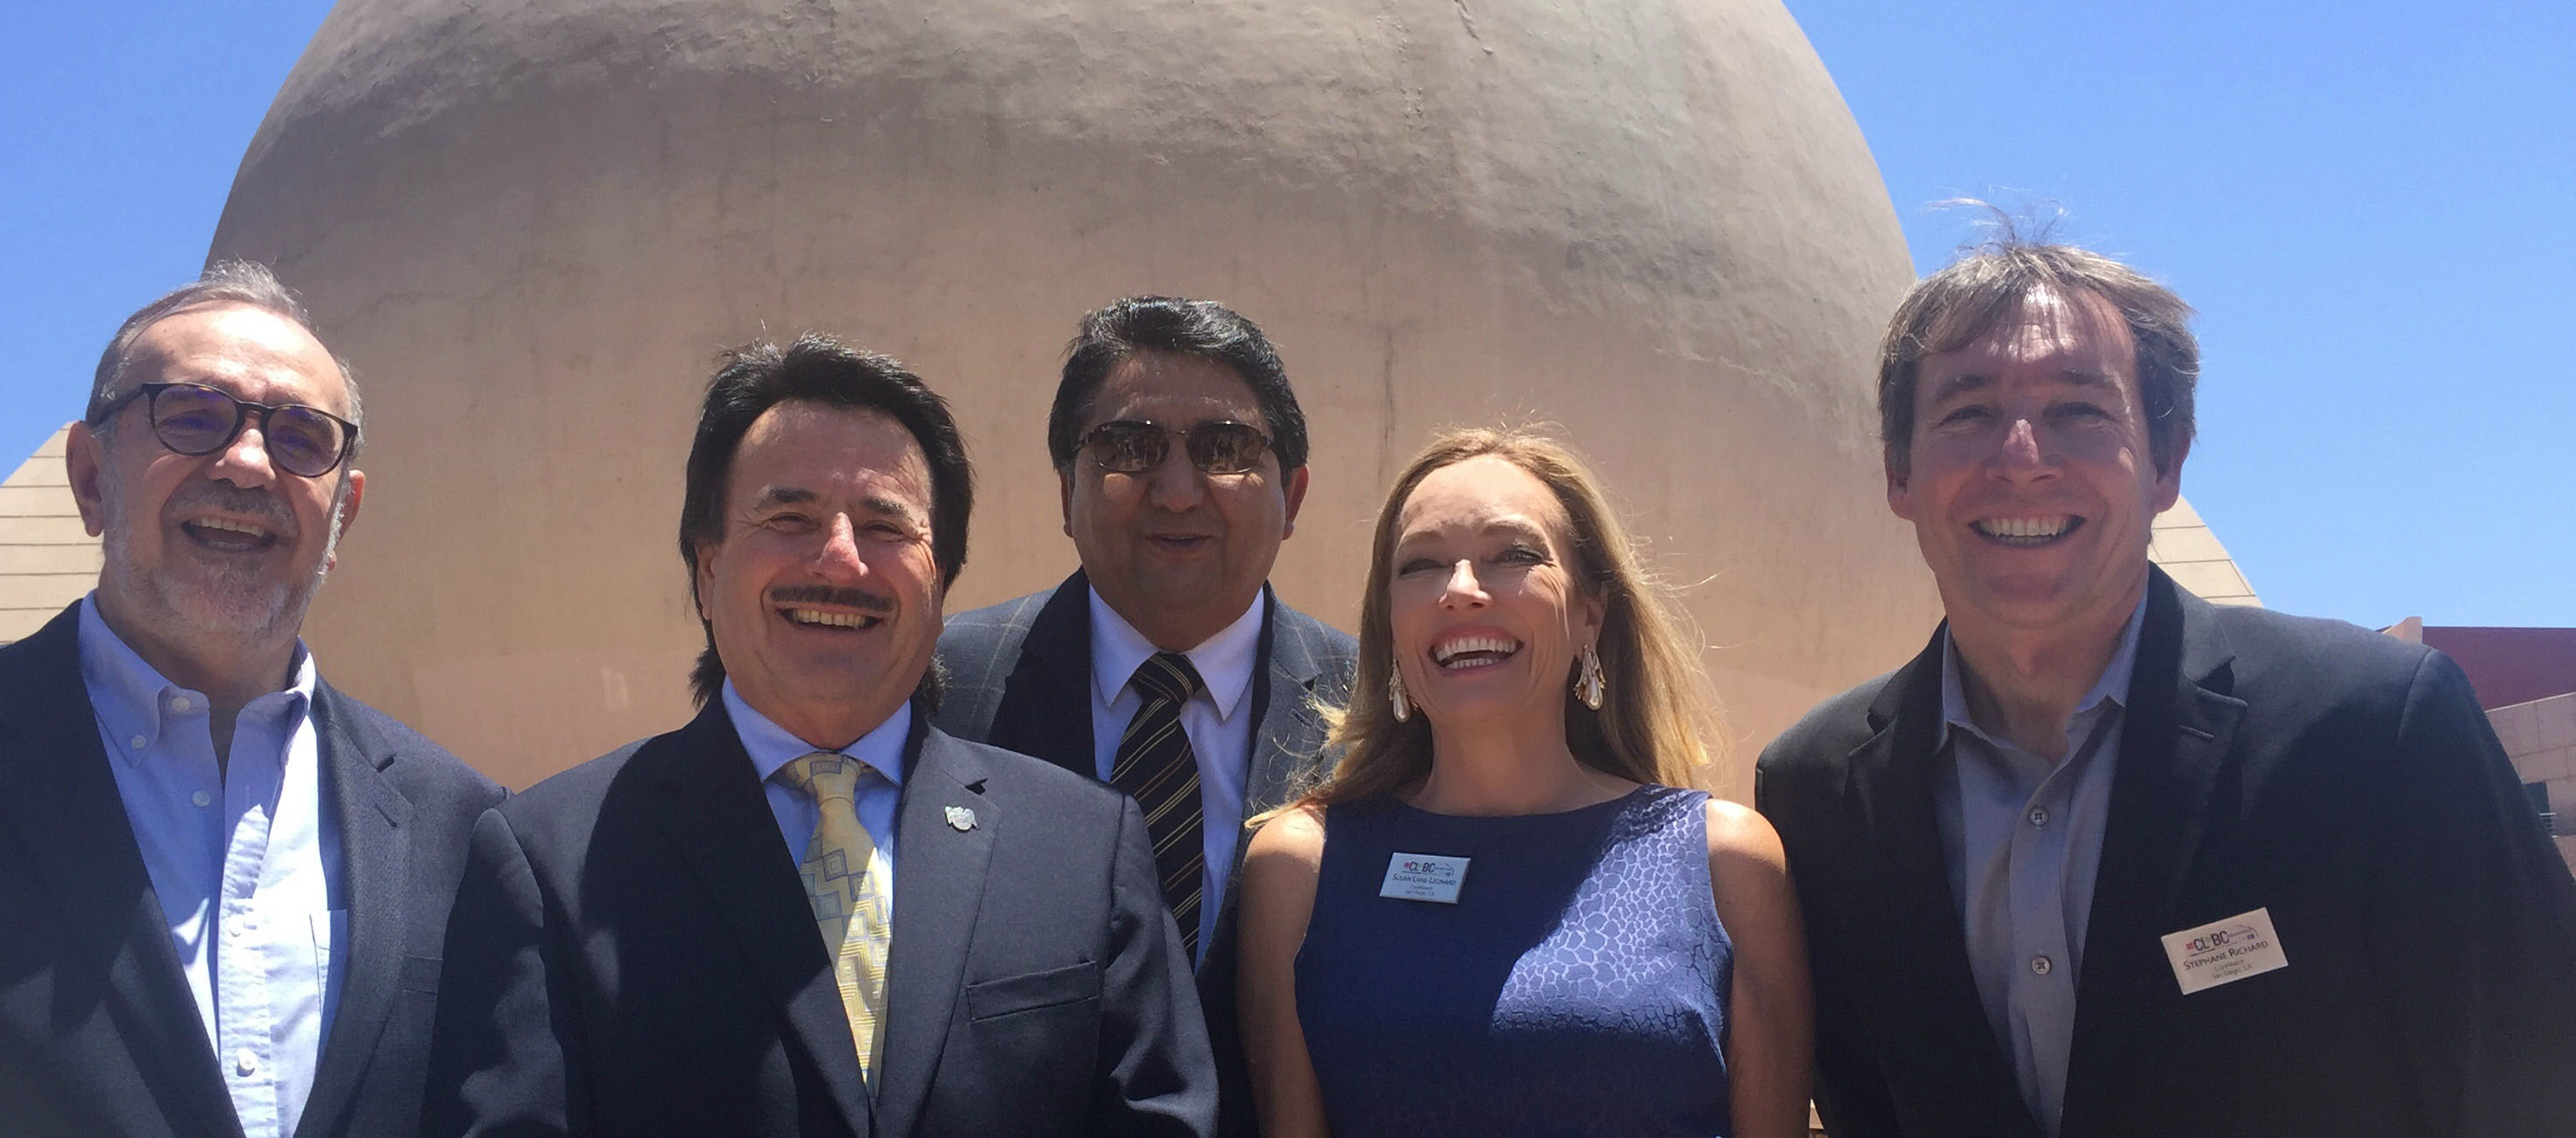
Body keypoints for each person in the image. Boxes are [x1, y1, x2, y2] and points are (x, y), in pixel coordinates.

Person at [1757, 237, 2576, 1138]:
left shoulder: (2376, 729)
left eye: (2077, 408)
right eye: (1968, 410)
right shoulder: (1814, 790)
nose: (2022, 457)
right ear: (1898, 470)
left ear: (2165, 463)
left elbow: (2533, 1087)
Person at [0, 262, 504, 1138]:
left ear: (344, 517)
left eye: (301, 435)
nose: (251, 462)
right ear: (90, 477)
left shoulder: (460, 823)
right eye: (191, 413)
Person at [422, 334, 1213, 1138]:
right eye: (789, 516)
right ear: (706, 567)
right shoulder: (551, 861)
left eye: (884, 524)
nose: (839, 560)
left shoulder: (1084, 844)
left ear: (941, 584)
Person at [1237, 428, 1814, 1138]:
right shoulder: (1302, 867)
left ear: (1591, 611)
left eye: (1513, 555)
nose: (1461, 592)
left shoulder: (1726, 862)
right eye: (1420, 564)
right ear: (1389, 623)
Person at [937, 297, 1357, 1135]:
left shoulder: (1383, 709)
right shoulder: (943, 689)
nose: (1175, 490)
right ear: (1067, 491)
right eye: (1130, 447)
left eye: (1225, 447)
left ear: (1294, 492)